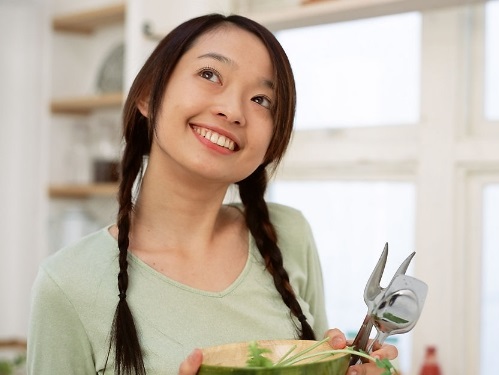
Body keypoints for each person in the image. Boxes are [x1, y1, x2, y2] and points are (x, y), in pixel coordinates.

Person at [27, 13, 397, 375]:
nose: (233, 110)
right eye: (209, 75)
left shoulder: (289, 234)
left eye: (261, 100)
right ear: (146, 95)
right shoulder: (67, 285)